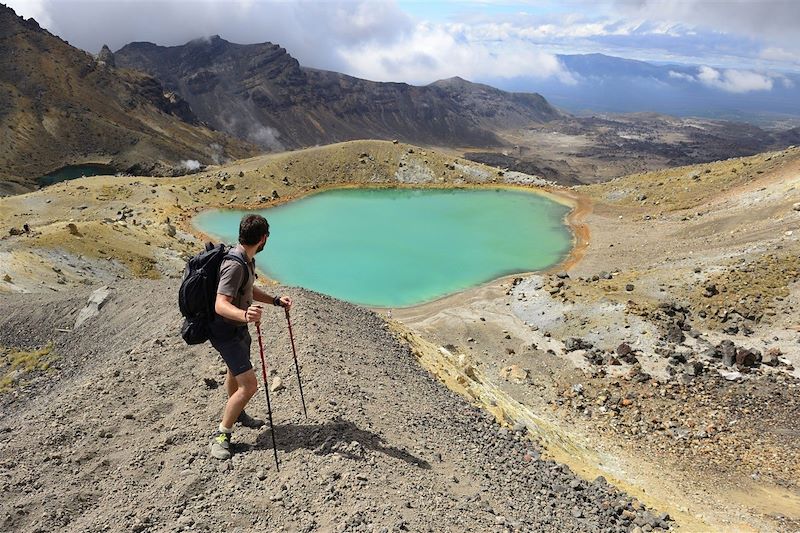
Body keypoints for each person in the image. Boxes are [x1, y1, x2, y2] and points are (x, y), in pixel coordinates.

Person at [208, 214, 292, 460]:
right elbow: (220, 304)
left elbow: (247, 289)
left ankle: (237, 412)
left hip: (237, 329)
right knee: (250, 385)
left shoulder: (246, 260)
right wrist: (245, 315)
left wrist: (275, 301)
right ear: (263, 238)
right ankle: (222, 436)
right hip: (227, 332)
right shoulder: (235, 265)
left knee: (234, 373)